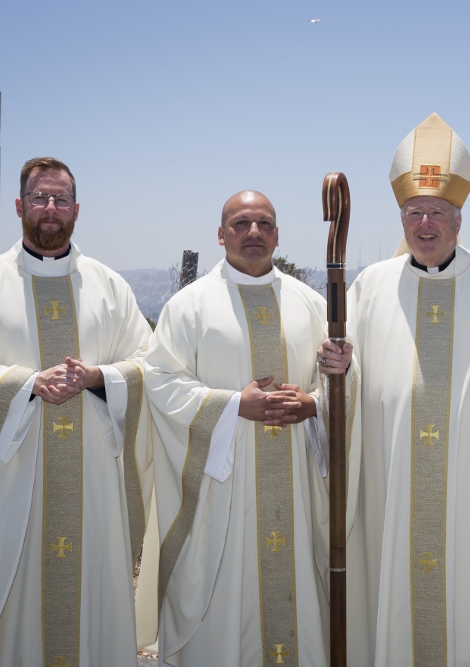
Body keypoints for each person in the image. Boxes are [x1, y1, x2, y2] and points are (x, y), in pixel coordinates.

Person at [319, 112, 470, 667]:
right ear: (401, 219)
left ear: (460, 218)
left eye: (438, 213)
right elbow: (344, 378)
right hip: (390, 477)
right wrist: (336, 366)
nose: (425, 223)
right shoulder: (370, 285)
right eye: (414, 213)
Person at [0, 157, 154, 666]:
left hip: (92, 489)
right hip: (8, 488)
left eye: (60, 199)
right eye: (39, 198)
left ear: (77, 209)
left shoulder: (109, 287)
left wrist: (99, 377)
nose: (50, 209)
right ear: (20, 206)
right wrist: (26, 384)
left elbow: (150, 364)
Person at [146, 191, 343, 666]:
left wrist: (315, 404)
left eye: (263, 223)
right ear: (221, 235)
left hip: (297, 487)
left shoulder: (313, 304)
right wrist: (235, 405)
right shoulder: (188, 307)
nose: (252, 232)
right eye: (240, 223)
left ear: (277, 235)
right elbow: (162, 384)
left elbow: (344, 383)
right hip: (221, 495)